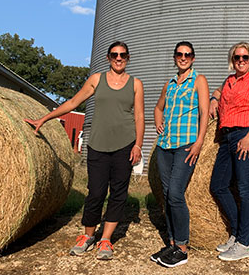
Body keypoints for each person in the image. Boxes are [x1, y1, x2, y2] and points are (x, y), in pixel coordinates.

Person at [25, 41, 145, 260]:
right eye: (114, 55)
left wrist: (138, 144)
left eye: (123, 55)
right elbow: (72, 102)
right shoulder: (96, 80)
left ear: (128, 58)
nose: (119, 58)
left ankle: (106, 240)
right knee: (96, 193)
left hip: (125, 145)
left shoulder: (136, 84)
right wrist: (45, 118)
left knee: (118, 194)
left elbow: (139, 116)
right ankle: (88, 236)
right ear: (108, 57)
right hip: (98, 144)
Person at [208, 42, 249, 261]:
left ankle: (244, 244)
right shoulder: (229, 81)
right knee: (218, 185)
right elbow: (218, 90)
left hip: (247, 135)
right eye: (237, 57)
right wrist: (214, 99)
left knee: (244, 190)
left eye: (245, 57)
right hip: (227, 137)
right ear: (232, 60)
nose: (241, 61)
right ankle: (236, 233)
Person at [150, 42, 209, 268]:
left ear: (193, 58)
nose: (183, 57)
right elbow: (158, 108)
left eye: (187, 54)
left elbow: (204, 112)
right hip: (165, 146)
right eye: (179, 54)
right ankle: (172, 243)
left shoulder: (199, 80)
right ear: (175, 57)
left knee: (176, 193)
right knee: (166, 196)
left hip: (186, 143)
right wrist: (158, 123)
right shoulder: (170, 84)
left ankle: (182, 248)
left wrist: (200, 141)